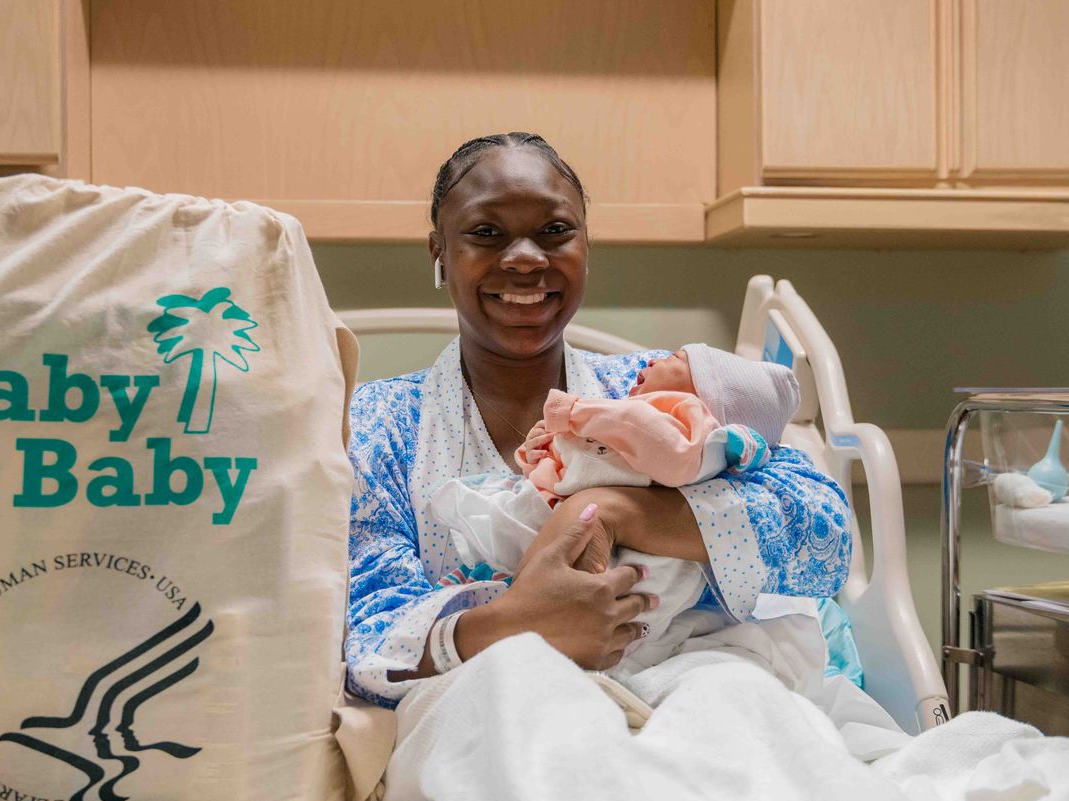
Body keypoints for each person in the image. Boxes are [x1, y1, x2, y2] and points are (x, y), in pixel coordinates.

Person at [345, 131, 853, 709]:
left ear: (586, 245)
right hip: (489, 706)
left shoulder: (662, 390)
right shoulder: (379, 424)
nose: (526, 258)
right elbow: (367, 636)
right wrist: (516, 624)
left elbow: (825, 541)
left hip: (681, 690)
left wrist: (613, 511)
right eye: (486, 233)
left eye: (555, 231)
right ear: (439, 253)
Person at [422, 343, 808, 680]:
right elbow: (574, 468)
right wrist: (540, 451)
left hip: (626, 562)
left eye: (674, 359)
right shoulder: (634, 418)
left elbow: (645, 436)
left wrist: (574, 413)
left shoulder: (673, 419)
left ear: (704, 395)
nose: (652, 363)